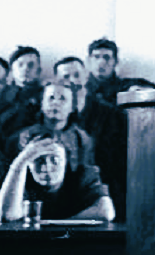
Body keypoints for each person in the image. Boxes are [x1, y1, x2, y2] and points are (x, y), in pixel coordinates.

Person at [54, 56, 129, 221]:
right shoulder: (53, 117)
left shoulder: (111, 114)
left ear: (86, 76)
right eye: (65, 76)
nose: (72, 81)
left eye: (76, 75)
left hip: (107, 190)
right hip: (66, 193)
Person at [0, 135, 114, 223]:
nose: (46, 167)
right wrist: (19, 163)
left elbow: (106, 212)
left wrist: (53, 225)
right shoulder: (20, 179)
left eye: (55, 160)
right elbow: (7, 216)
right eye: (38, 160)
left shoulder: (84, 174)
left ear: (66, 161)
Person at [85, 38, 140, 104]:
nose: (101, 62)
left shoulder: (124, 87)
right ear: (88, 60)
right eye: (96, 57)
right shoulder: (81, 89)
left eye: (106, 57)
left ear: (116, 61)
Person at [8, 45, 44, 121]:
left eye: (31, 65)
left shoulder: (45, 95)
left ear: (38, 71)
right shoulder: (2, 93)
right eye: (20, 65)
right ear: (11, 69)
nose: (25, 69)